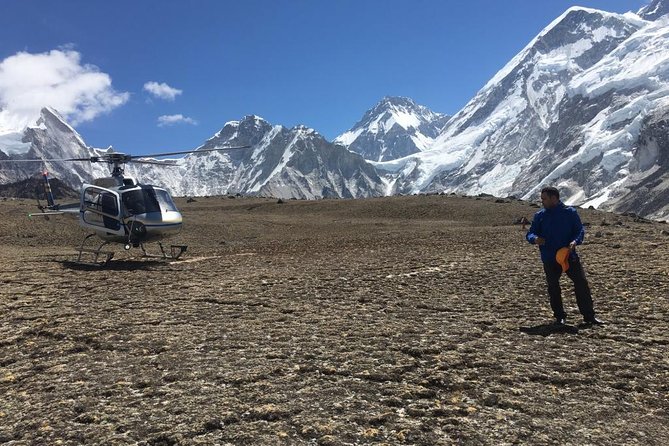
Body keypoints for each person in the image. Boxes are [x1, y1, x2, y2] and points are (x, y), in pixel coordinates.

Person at [526, 186, 603, 326]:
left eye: (544, 199)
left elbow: (579, 230)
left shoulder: (570, 213)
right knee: (553, 287)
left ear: (554, 198)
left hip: (569, 256)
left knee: (581, 283)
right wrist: (535, 239)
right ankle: (559, 317)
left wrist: (575, 241)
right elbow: (530, 233)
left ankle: (589, 316)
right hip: (549, 257)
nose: (541, 201)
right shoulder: (540, 216)